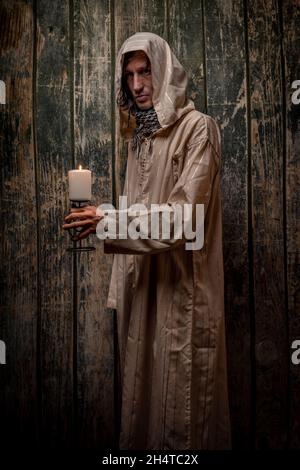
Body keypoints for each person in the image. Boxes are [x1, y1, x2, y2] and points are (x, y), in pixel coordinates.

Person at [63, 32, 231, 450]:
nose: (137, 85)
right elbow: (135, 210)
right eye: (130, 75)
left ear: (166, 72)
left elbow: (181, 220)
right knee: (142, 418)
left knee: (181, 421)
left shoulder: (198, 130)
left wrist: (106, 219)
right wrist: (120, 295)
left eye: (146, 72)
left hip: (183, 296)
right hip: (145, 299)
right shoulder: (140, 140)